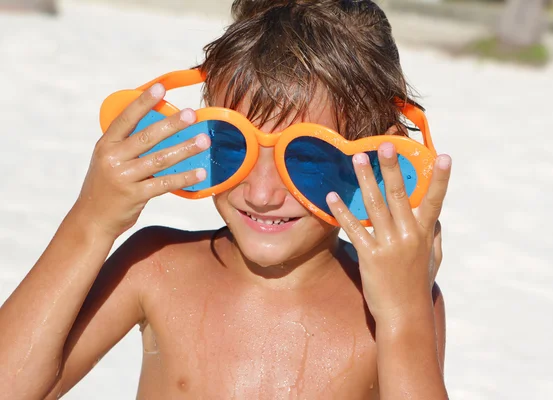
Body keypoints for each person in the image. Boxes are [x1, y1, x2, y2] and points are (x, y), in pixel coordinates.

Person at [0, 0, 452, 398]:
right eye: (235, 145)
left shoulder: (402, 302)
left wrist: (402, 315)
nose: (261, 193)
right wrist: (91, 222)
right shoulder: (157, 268)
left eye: (308, 159)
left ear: (376, 162)